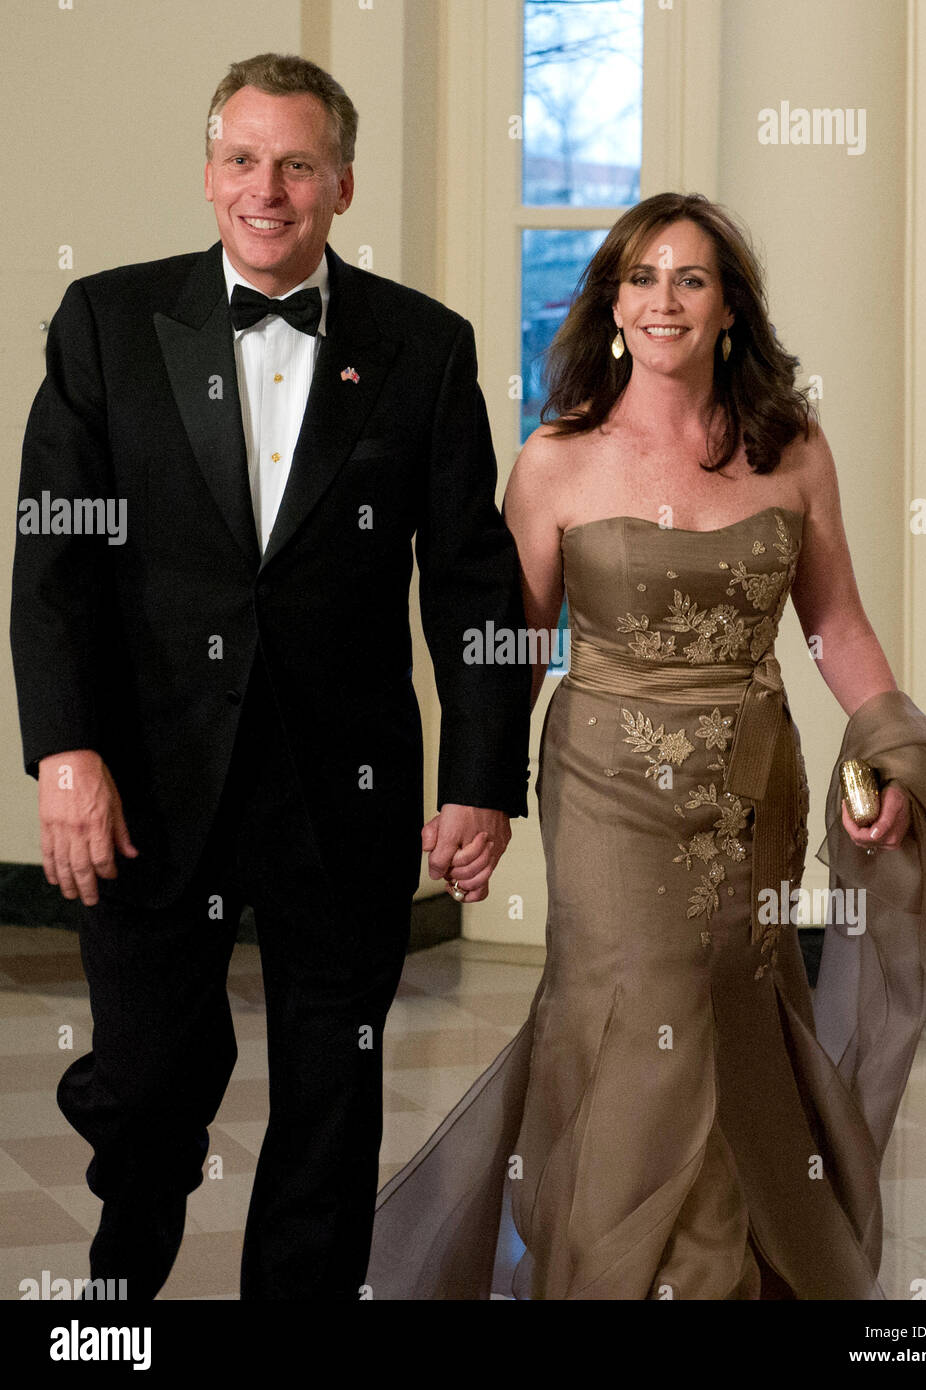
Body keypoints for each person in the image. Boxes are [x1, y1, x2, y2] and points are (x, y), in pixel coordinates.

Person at [364, 192, 926, 1299]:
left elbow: (835, 624)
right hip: (605, 786)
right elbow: (515, 652)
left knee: (731, 1005)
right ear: (609, 302)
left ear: (727, 308)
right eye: (639, 277)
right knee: (630, 1006)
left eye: (688, 279)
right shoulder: (555, 459)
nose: (660, 300)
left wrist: (880, 752)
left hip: (747, 784)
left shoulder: (789, 447)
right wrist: (471, 798)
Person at [9, 52, 530, 1301]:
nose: (268, 188)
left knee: (331, 1090)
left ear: (342, 183)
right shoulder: (106, 323)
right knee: (143, 1085)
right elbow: (55, 557)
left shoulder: (423, 346)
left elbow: (471, 581)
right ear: (207, 174)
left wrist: (479, 780)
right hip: (146, 778)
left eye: (297, 163)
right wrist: (66, 752)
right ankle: (114, 1304)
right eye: (243, 158)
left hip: (339, 788)